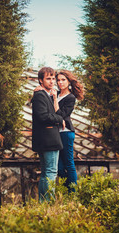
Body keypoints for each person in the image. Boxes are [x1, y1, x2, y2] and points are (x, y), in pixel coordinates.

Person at [34, 70, 84, 192]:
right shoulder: (52, 93)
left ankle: (72, 192)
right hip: (55, 134)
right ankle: (64, 189)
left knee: (69, 164)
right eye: (58, 80)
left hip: (66, 132)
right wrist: (38, 90)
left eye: (63, 80)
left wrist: (55, 99)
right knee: (58, 167)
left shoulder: (70, 97)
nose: (60, 82)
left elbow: (61, 115)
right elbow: (45, 108)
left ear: (68, 82)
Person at [31, 67, 65, 202]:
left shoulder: (46, 95)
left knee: (46, 172)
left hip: (46, 139)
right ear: (41, 80)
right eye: (48, 79)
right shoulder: (40, 95)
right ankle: (49, 202)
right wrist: (59, 119)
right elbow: (43, 116)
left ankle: (43, 202)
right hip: (48, 140)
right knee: (51, 172)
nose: (52, 82)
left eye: (53, 78)